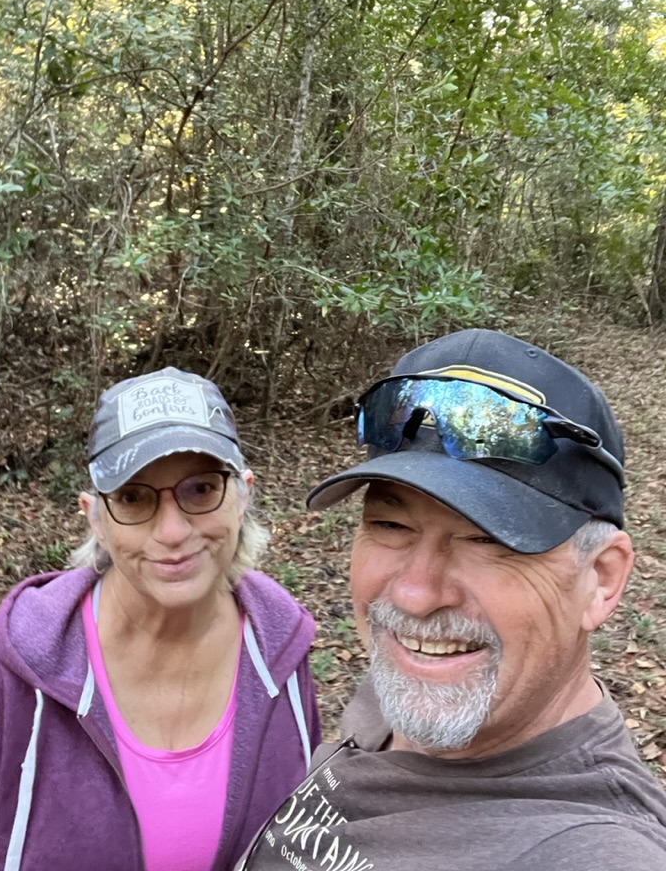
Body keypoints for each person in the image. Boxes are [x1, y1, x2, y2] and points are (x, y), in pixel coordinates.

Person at [236, 328, 666, 870]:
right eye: (391, 525)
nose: (415, 595)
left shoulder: (594, 851)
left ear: (600, 579)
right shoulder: (416, 688)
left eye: (488, 540)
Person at [0, 367, 321, 871]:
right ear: (95, 517)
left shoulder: (279, 651)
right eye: (132, 497)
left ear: (242, 496)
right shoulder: (25, 667)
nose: (172, 531)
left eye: (200, 489)